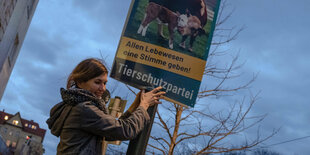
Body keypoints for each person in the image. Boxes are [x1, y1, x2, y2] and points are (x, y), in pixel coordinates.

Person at [46, 58, 165, 155]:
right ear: (80, 82)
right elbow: (125, 131)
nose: (103, 88)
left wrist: (135, 105)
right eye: (97, 82)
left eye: (105, 83)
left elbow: (112, 130)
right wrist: (144, 105)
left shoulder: (75, 105)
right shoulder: (84, 109)